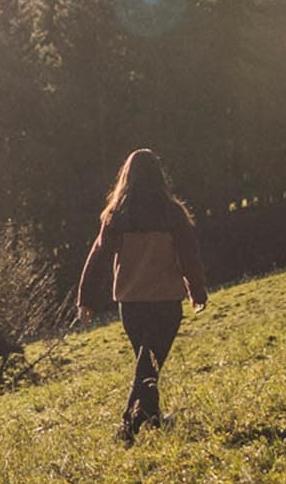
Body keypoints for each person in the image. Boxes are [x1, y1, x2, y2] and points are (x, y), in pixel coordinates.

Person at [73, 148, 209, 444]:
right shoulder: (173, 214)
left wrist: (86, 298)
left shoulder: (116, 216)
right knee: (148, 365)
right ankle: (128, 426)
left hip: (131, 306)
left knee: (146, 363)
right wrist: (196, 290)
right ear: (159, 176)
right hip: (165, 304)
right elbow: (189, 255)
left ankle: (153, 418)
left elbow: (97, 257)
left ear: (127, 177)